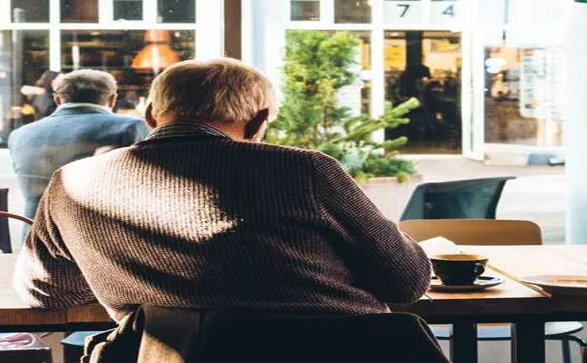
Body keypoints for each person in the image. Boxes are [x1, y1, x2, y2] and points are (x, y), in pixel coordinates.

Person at [14, 58, 431, 323]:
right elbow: (407, 281)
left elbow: (45, 291)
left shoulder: (72, 182)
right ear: (259, 122)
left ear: (151, 116)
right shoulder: (305, 169)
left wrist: (130, 277)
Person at [8, 69, 150, 225]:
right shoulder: (129, 127)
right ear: (112, 99)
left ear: (57, 100)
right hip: (99, 234)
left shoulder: (19, 134)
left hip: (34, 233)